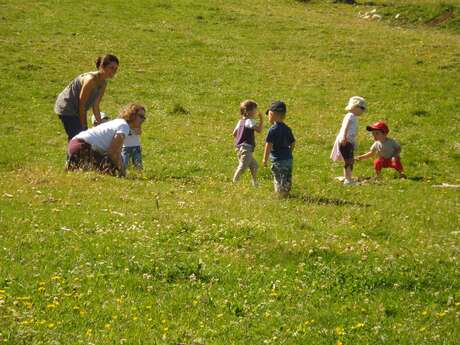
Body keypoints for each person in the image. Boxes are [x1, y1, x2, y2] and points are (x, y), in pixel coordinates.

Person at [67, 103, 146, 177]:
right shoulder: (124, 126)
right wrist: (122, 171)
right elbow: (112, 152)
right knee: (110, 168)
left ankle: (77, 167)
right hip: (81, 146)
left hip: (75, 145)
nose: (143, 120)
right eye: (141, 116)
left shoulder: (118, 122)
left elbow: (115, 153)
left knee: (110, 166)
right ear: (132, 115)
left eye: (144, 117)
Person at [54, 54, 119, 141]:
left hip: (78, 109)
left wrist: (100, 126)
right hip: (67, 107)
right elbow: (82, 103)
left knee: (81, 137)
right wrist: (83, 125)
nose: (114, 71)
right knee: (78, 137)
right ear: (102, 66)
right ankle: (73, 153)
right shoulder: (90, 80)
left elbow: (95, 105)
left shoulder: (103, 83)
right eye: (111, 68)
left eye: (116, 69)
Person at [330, 96, 367, 185]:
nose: (363, 110)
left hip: (348, 140)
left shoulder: (353, 116)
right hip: (345, 140)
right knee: (349, 160)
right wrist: (344, 137)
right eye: (362, 108)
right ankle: (348, 180)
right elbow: (345, 127)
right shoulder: (350, 116)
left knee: (348, 160)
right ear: (355, 106)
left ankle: (347, 177)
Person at [262, 101, 295, 198]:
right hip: (288, 159)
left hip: (278, 160)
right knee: (287, 177)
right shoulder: (287, 129)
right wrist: (289, 152)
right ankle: (287, 193)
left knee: (278, 178)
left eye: (268, 114)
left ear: (272, 114)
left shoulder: (272, 130)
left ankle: (280, 196)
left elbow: (268, 145)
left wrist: (265, 159)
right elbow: (293, 143)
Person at [232, 100, 263, 186]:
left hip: (239, 147)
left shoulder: (240, 121)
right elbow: (259, 130)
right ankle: (234, 181)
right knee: (243, 166)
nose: (256, 111)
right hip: (246, 147)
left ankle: (255, 182)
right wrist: (261, 120)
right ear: (248, 111)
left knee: (254, 165)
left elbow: (234, 133)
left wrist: (241, 137)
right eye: (255, 110)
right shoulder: (250, 121)